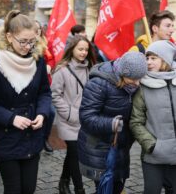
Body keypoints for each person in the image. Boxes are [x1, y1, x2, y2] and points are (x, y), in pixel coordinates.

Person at [0, 10, 51, 194]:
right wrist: (11, 118)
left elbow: (44, 92)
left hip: (32, 134)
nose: (28, 46)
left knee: (28, 188)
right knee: (13, 189)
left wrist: (42, 113)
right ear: (9, 37)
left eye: (32, 41)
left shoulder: (37, 59)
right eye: (23, 41)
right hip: (5, 135)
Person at [78, 51, 148, 194]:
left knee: (117, 187)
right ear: (122, 73)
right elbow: (86, 117)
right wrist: (112, 123)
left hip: (120, 147)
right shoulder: (99, 83)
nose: (137, 83)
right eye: (133, 79)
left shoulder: (132, 85)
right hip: (99, 148)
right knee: (106, 188)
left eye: (140, 79)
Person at [130, 40, 176, 194]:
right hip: (154, 156)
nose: (148, 62)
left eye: (153, 58)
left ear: (166, 59)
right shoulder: (142, 86)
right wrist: (152, 146)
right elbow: (136, 122)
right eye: (147, 58)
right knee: (151, 191)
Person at [51, 35, 96, 194]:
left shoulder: (91, 68)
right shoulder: (62, 69)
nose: (84, 52)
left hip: (85, 119)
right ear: (72, 49)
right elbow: (55, 95)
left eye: (86, 49)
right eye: (80, 49)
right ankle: (79, 188)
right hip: (68, 120)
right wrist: (70, 114)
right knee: (75, 153)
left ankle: (63, 180)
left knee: (73, 153)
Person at [35, 20, 56, 153]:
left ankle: (45, 138)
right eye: (34, 28)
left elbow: (52, 58)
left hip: (45, 83)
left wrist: (49, 65)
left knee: (51, 112)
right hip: (31, 85)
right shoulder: (26, 43)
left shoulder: (46, 43)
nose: (36, 31)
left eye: (38, 28)